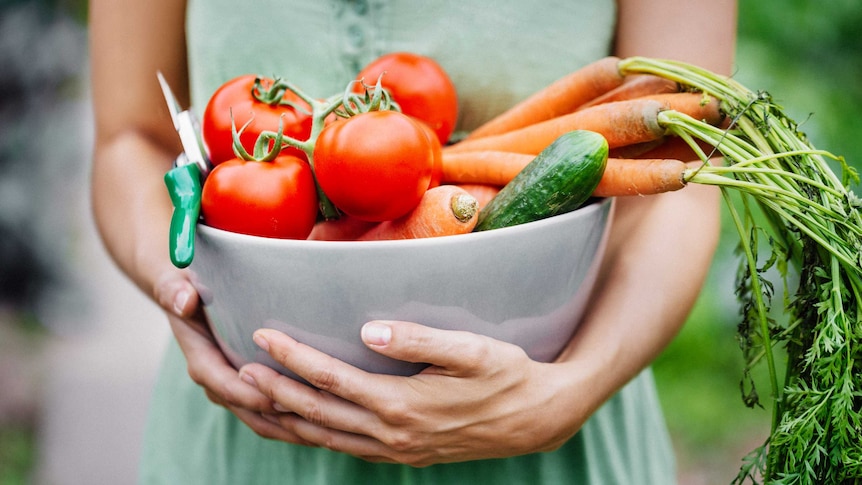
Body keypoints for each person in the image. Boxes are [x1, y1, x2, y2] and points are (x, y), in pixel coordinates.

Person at [89, 0, 737, 483]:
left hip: (545, 433)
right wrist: (175, 282)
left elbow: (685, 185)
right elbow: (130, 139)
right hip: (252, 410)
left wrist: (569, 391)